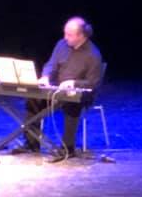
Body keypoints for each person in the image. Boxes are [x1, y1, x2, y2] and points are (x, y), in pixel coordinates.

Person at [11, 16, 103, 161]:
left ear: (81, 36)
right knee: (33, 98)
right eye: (65, 33)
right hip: (56, 89)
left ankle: (68, 148)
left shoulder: (93, 55)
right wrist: (46, 76)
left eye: (69, 35)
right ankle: (31, 143)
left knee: (72, 103)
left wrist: (74, 83)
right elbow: (50, 64)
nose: (65, 37)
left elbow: (93, 83)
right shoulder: (61, 45)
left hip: (80, 94)